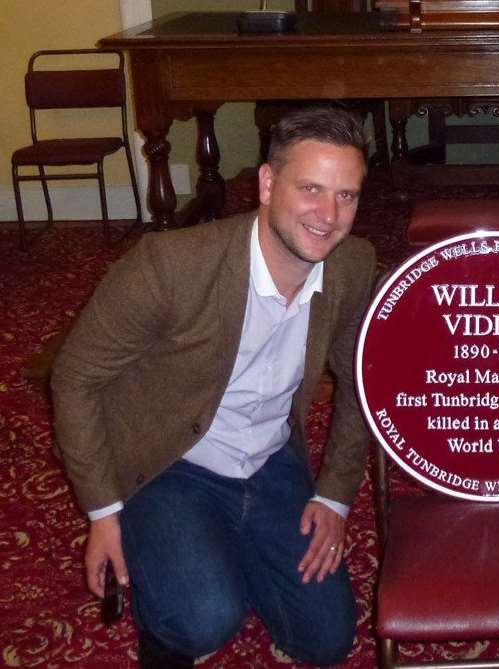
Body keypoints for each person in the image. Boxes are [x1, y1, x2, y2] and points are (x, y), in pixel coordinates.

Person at [50, 106, 376, 669]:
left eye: (346, 195)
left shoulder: (352, 265)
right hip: (170, 461)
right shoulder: (169, 265)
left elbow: (363, 380)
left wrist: (333, 495)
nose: (328, 215)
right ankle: (187, 571)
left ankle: (219, 554)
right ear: (268, 183)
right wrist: (102, 512)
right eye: (311, 189)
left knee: (325, 640)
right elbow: (75, 377)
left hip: (271, 460)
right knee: (202, 620)